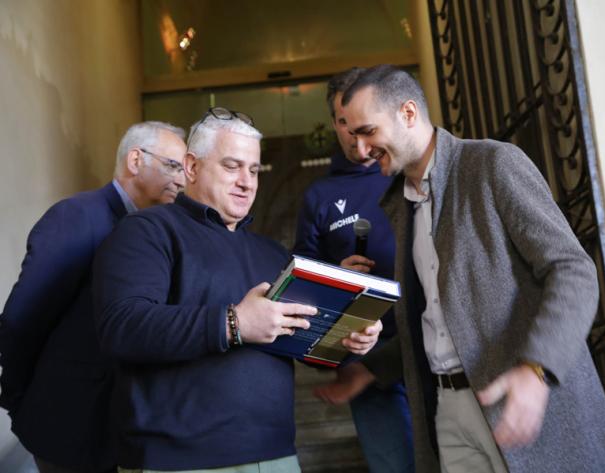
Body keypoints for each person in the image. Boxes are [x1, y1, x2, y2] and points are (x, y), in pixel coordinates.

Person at [317, 64, 605, 473]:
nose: (360, 149)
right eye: (352, 135)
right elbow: (440, 318)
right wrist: (370, 370)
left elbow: (573, 270)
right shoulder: (400, 204)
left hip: (517, 401)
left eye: (368, 132)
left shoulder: (493, 163)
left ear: (408, 113)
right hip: (445, 409)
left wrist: (537, 369)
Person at [91, 108, 383, 472]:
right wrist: (234, 323)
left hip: (277, 456)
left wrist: (349, 339)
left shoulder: (274, 254)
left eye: (254, 170)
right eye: (232, 166)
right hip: (177, 461)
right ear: (191, 167)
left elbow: (304, 340)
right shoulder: (145, 231)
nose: (247, 182)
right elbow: (121, 328)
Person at [0, 121, 187, 473]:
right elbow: (21, 319)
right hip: (69, 427)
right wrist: (17, 397)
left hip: (128, 433)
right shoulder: (77, 217)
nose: (181, 180)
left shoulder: (161, 232)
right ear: (135, 160)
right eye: (173, 166)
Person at [293, 67, 414, 473]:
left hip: (428, 347)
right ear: (334, 123)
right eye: (344, 122)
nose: (355, 134)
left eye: (363, 121)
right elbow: (302, 282)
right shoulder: (319, 196)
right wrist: (336, 274)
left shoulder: (408, 171)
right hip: (366, 361)